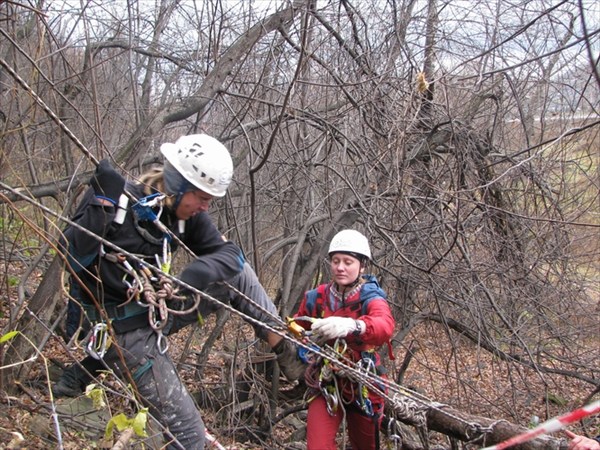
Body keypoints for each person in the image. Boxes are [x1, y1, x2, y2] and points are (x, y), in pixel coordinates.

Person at [55, 134, 303, 450]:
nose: (205, 206)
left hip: (152, 313)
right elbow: (69, 258)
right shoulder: (117, 203)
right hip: (119, 328)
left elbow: (232, 257)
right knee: (188, 437)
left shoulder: (182, 217)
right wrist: (101, 204)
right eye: (201, 198)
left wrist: (195, 275)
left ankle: (284, 347)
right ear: (178, 185)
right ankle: (93, 365)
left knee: (237, 275)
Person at [291, 229, 395, 450]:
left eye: (348, 262)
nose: (340, 267)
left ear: (362, 266)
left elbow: (384, 326)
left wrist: (354, 325)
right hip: (326, 381)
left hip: (363, 383)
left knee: (365, 445)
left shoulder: (370, 298)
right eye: (336, 261)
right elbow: (298, 330)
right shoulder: (316, 298)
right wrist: (303, 346)